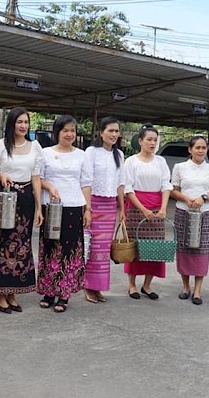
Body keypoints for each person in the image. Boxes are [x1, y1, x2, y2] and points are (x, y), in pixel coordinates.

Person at [0, 107, 43, 313]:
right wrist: (1, 177)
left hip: (25, 200)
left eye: (26, 122)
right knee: (2, 243)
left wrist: (40, 207)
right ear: (11, 124)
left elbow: (36, 178)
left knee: (21, 244)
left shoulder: (35, 147)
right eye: (19, 122)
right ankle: (0, 292)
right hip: (4, 197)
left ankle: (13, 291)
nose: (23, 126)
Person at [38, 115, 92, 313]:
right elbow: (38, 178)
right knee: (51, 248)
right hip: (50, 205)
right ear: (57, 132)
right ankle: (48, 291)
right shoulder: (44, 153)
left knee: (69, 251)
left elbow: (86, 183)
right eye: (65, 130)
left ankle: (64, 293)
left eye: (72, 130)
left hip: (74, 206)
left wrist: (88, 209)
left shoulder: (82, 155)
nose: (70, 134)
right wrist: (49, 187)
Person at [123, 124, 172, 300]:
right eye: (149, 140)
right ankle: (132, 285)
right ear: (140, 141)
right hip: (136, 209)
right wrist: (142, 209)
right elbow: (128, 188)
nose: (152, 143)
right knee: (135, 249)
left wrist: (164, 208)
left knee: (155, 249)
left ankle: (147, 285)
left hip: (158, 210)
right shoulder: (131, 161)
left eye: (155, 140)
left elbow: (166, 185)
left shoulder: (161, 162)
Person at [170, 136, 209, 305]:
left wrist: (203, 198)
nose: (200, 151)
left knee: (202, 250)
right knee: (183, 249)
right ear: (190, 150)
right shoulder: (180, 167)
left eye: (203, 148)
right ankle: (185, 287)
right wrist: (186, 198)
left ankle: (197, 290)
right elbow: (173, 190)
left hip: (204, 213)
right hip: (183, 211)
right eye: (197, 147)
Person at [81, 117, 125, 303]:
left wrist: (122, 209)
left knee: (104, 250)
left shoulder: (119, 155)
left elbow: (121, 183)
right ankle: (88, 286)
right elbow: (86, 181)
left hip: (110, 206)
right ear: (101, 132)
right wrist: (87, 208)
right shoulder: (92, 152)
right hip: (94, 204)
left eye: (116, 131)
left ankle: (98, 287)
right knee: (91, 247)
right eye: (111, 131)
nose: (114, 134)